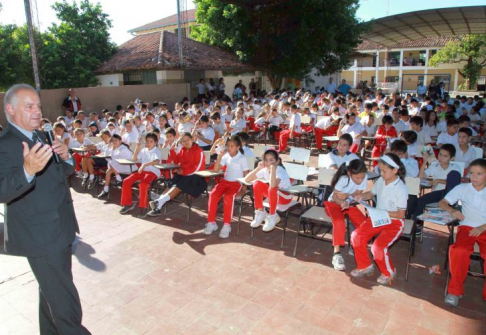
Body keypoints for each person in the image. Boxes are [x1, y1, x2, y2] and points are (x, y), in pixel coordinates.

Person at [0, 84, 90, 333]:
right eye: (29, 106)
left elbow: (60, 174)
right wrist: (27, 170)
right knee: (66, 306)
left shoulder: (40, 136)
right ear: (11, 109)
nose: (37, 111)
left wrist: (66, 157)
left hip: (60, 229)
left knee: (51, 295)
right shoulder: (5, 144)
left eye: (38, 106)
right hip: (40, 236)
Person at [351, 153, 408, 285]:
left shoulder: (401, 188)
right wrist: (360, 197)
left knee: (378, 247)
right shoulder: (381, 181)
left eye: (384, 171)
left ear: (395, 170)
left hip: (394, 222)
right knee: (356, 236)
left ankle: (389, 272)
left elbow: (400, 215)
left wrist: (381, 212)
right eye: (380, 170)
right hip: (378, 218)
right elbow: (371, 194)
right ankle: (364, 265)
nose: (381, 174)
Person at [440, 159, 486, 307]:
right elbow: (442, 202)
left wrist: (482, 227)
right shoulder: (463, 188)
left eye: (479, 174)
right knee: (459, 250)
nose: (474, 177)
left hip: (484, 228)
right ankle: (455, 291)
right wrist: (452, 210)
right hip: (467, 228)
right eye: (472, 173)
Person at [147, 132, 207, 216]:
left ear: (192, 139)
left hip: (196, 178)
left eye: (188, 140)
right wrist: (172, 151)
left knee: (178, 185)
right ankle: (158, 207)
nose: (186, 142)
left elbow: (197, 168)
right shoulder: (183, 150)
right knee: (170, 185)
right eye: (183, 141)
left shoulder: (198, 151)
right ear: (181, 143)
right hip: (184, 175)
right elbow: (177, 161)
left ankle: (158, 202)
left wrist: (183, 172)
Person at [324, 159, 368, 271]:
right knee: (339, 222)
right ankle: (336, 254)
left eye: (362, 177)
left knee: (364, 224)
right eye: (357, 178)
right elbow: (334, 196)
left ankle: (354, 245)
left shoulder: (364, 176)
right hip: (333, 204)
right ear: (349, 173)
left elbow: (357, 193)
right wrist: (341, 202)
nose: (360, 180)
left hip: (349, 203)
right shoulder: (344, 179)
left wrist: (347, 200)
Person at [204, 136, 249, 238]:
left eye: (232, 146)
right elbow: (216, 170)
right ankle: (211, 222)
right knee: (213, 194)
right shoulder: (225, 156)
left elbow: (246, 174)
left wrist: (243, 189)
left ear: (237, 147)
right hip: (224, 182)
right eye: (228, 146)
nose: (229, 148)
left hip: (236, 183)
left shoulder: (242, 158)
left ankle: (227, 225)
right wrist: (219, 157)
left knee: (228, 197)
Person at [244, 149, 292, 232]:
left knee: (272, 188)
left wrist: (273, 169)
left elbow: (273, 185)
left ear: (277, 161)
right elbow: (247, 179)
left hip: (285, 197)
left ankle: (272, 215)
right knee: (257, 183)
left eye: (271, 160)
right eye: (266, 160)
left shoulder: (280, 170)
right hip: (274, 195)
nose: (268, 162)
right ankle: (260, 212)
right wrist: (258, 168)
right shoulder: (265, 170)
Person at [97, 134, 135, 198]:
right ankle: (106, 189)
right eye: (113, 140)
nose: (114, 142)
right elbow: (107, 156)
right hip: (118, 167)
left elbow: (115, 160)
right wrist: (109, 146)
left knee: (111, 163)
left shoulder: (123, 148)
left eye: (116, 140)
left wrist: (113, 150)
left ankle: (118, 178)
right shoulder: (114, 147)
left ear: (120, 141)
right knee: (108, 171)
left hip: (128, 167)